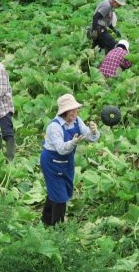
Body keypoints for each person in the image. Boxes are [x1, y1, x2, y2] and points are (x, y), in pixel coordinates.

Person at [40, 93, 100, 226]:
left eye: (76, 109)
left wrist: (93, 132)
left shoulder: (77, 120)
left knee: (60, 190)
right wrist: (73, 143)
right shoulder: (54, 127)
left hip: (67, 161)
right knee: (60, 197)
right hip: (51, 161)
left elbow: (89, 137)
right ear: (64, 112)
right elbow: (61, 149)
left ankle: (46, 219)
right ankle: (57, 229)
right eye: (72, 109)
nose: (75, 111)